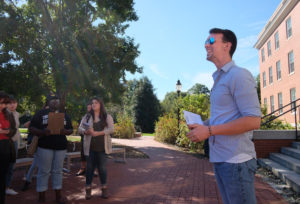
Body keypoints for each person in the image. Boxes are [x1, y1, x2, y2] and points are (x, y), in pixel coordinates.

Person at [187, 28, 261, 204]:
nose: (206, 44)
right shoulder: (219, 79)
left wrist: (210, 130)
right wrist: (202, 125)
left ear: (227, 45)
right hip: (221, 160)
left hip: (237, 162)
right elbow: (224, 117)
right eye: (206, 41)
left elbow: (253, 120)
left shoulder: (239, 75)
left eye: (211, 41)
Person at [29, 93, 73, 204]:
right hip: (44, 146)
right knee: (44, 171)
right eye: (52, 100)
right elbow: (31, 128)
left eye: (57, 99)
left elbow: (71, 129)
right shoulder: (40, 113)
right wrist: (42, 132)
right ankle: (41, 198)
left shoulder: (65, 115)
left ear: (60, 102)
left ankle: (58, 197)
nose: (55, 101)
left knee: (58, 171)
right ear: (48, 102)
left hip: (60, 147)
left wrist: (65, 131)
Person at [78, 97, 114, 200]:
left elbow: (111, 129)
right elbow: (80, 128)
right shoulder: (87, 117)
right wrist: (86, 132)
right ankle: (88, 190)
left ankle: (104, 189)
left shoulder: (107, 117)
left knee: (102, 169)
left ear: (100, 104)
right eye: (92, 103)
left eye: (96, 103)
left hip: (102, 148)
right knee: (89, 169)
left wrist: (99, 133)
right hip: (90, 148)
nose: (93, 104)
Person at [0, 91, 16, 204]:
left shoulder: (8, 114)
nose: (3, 106)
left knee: (2, 177)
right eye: (0, 103)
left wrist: (6, 131)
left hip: (4, 147)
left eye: (5, 103)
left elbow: (13, 130)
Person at [5, 96, 20, 196]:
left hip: (14, 142)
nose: (12, 105)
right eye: (10, 103)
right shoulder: (3, 114)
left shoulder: (17, 114)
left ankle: (7, 187)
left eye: (14, 102)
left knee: (11, 165)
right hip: (5, 142)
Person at [76, 102, 92, 176]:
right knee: (83, 153)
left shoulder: (98, 117)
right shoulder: (85, 117)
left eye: (90, 108)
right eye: (88, 108)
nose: (88, 109)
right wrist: (84, 131)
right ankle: (82, 168)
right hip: (85, 137)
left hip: (94, 138)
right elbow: (80, 128)